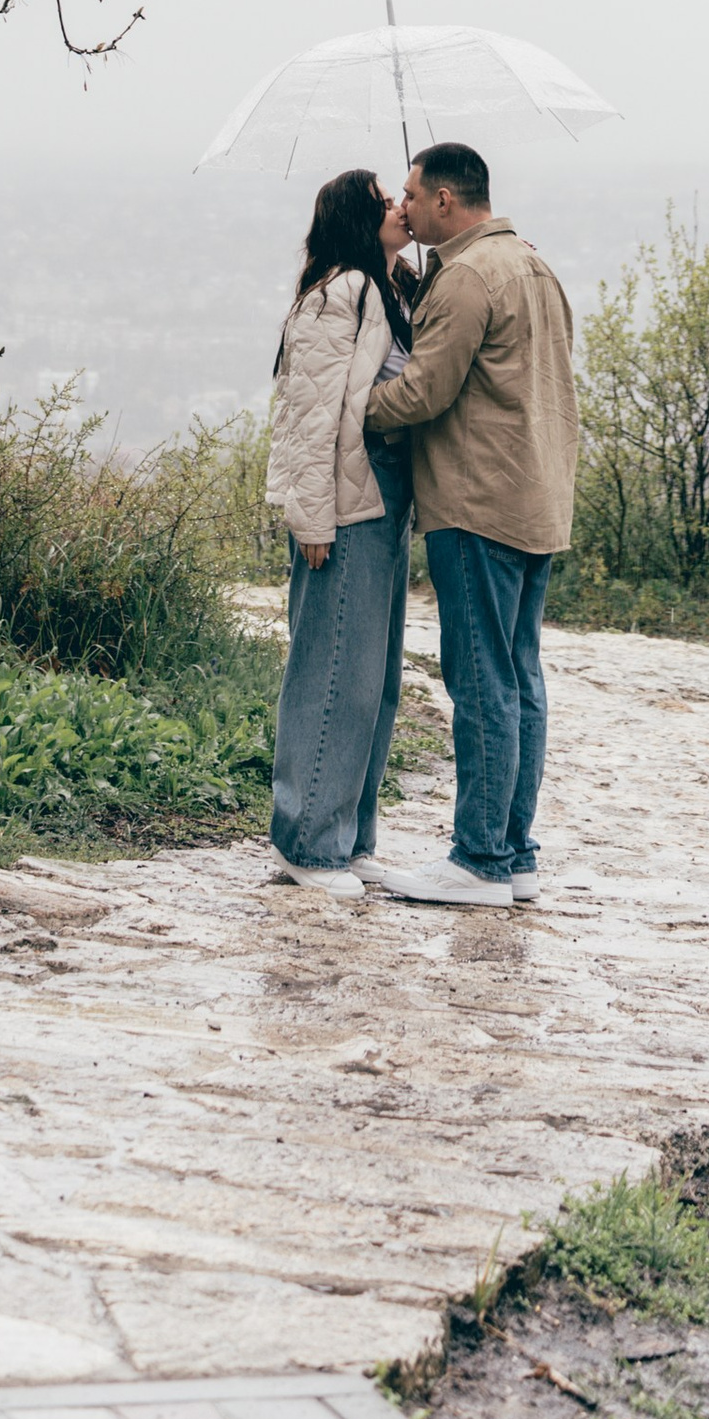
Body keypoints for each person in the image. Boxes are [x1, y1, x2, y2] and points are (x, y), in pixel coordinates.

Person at [360, 140, 578, 910]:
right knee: (519, 679)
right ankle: (515, 851)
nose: (406, 208)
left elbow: (423, 392)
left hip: (477, 502)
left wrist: (346, 408)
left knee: (481, 681)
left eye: (414, 196)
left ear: (445, 202)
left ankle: (479, 858)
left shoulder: (469, 276)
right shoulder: (531, 265)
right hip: (537, 497)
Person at [262, 167, 417, 897]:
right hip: (345, 502)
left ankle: (349, 837)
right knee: (332, 673)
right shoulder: (340, 292)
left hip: (384, 499)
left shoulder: (386, 287)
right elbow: (310, 414)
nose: (400, 209)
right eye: (387, 201)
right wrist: (311, 516)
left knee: (374, 680)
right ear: (360, 218)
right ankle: (307, 843)